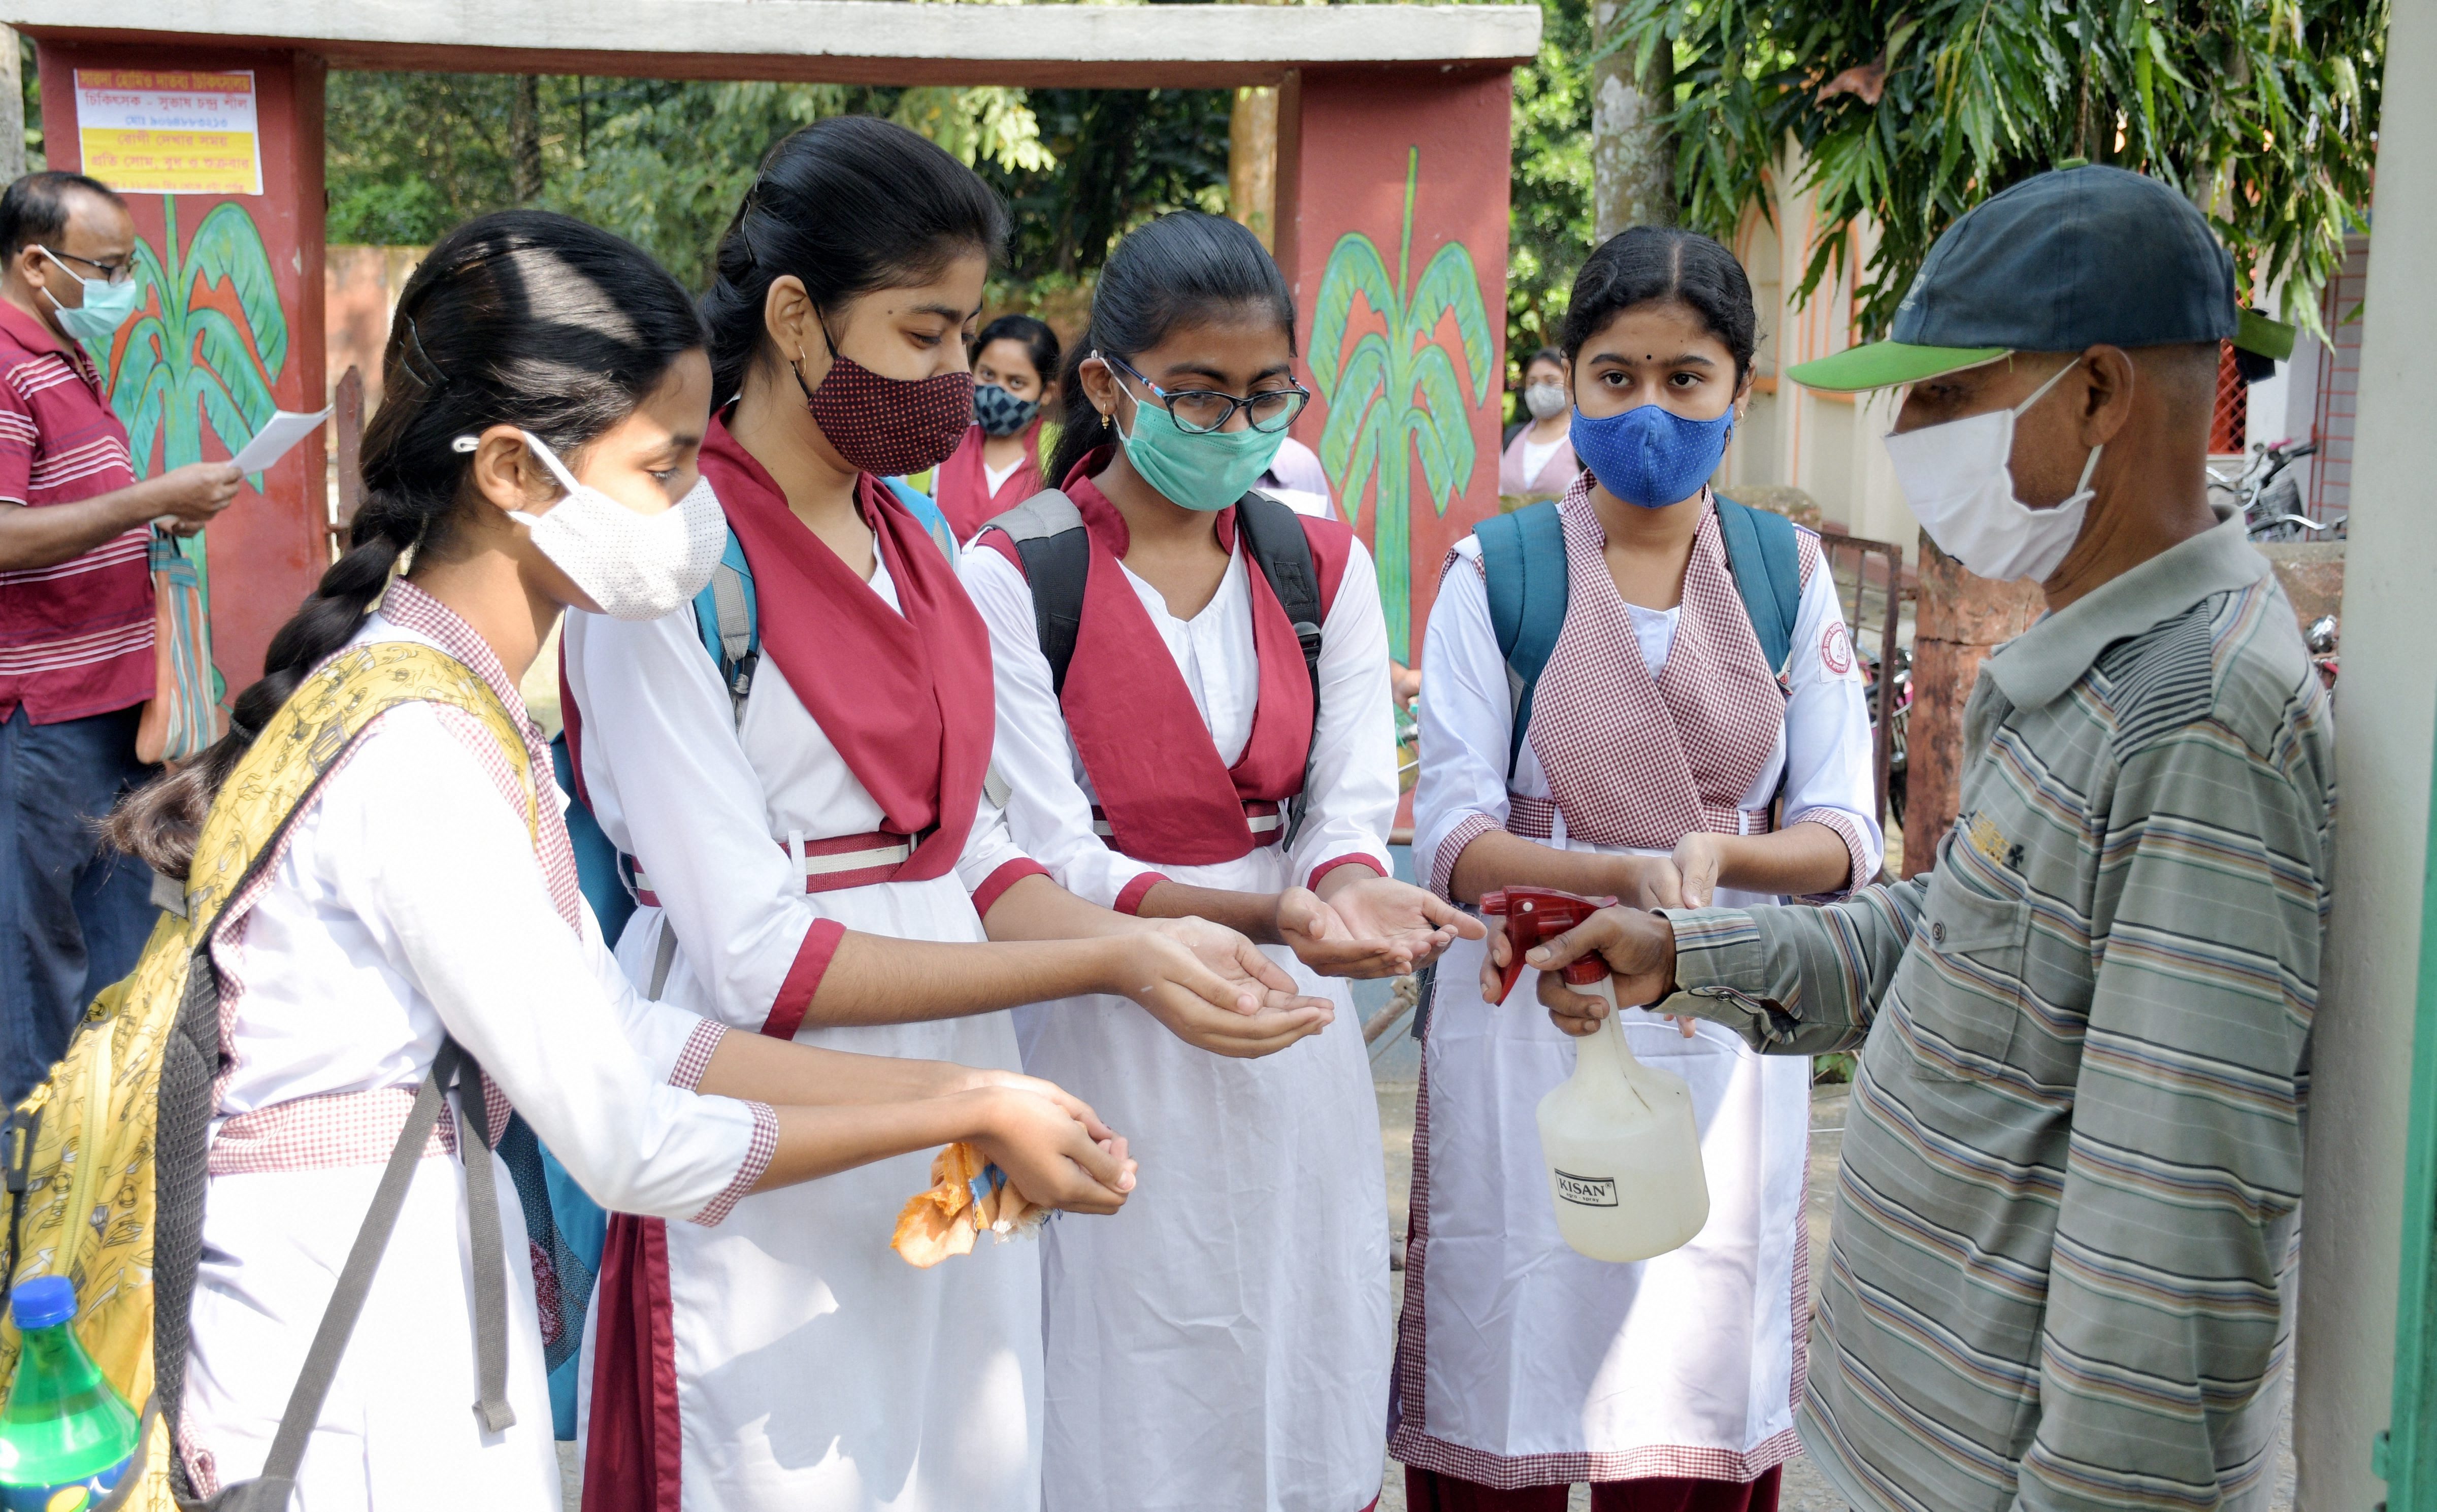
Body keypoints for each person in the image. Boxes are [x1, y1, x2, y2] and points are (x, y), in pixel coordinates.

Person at [100, 208, 1138, 1509]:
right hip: (348, 1363)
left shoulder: (460, 700)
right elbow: (629, 1139)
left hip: (400, 1320)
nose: (696, 514)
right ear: (517, 475)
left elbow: (631, 1033)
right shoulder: (417, 743)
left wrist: (977, 1091)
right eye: (663, 471)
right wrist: (961, 1109)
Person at [1513, 167, 2332, 1512]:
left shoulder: (2199, 716)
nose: (1907, 429)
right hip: (1903, 1444)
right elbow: (1954, 933)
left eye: (1948, 395)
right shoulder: (2098, 668)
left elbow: (2172, 1228)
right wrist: (1688, 954)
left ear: (2100, 394)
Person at [558, 119, 1330, 1512]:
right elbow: (762, 959)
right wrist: (1107, 958)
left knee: (963, 1465)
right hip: (777, 1107)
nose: (958, 379)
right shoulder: (670, 570)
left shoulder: (915, 544)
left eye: (967, 333)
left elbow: (970, 852)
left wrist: (1147, 945)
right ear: (796, 318)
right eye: (924, 335)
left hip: (962, 1089)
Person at [963, 209, 1482, 1512]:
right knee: (1118, 1351)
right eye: (1195, 395)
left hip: (1290, 1040)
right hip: (1097, 1013)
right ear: (1107, 388)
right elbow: (1045, 851)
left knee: (1290, 1329)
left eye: (1265, 395)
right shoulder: (1015, 573)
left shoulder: (1319, 567)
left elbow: (1347, 805)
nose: (1235, 423)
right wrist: (1274, 914)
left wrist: (1348, 887)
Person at [1397, 226, 1881, 1511]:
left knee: (1693, 1347)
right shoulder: (1494, 572)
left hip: (1724, 1005)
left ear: (1740, 388)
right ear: (1566, 377)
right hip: (1532, 996)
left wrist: (1714, 857)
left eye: (1685, 379)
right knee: (1514, 1322)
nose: (1648, 409)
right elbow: (1448, 830)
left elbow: (1843, 833)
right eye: (1615, 377)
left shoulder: (1788, 575)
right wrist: (1613, 872)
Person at [0, 170, 242, 1103]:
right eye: (109, 268)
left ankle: (103, 1161)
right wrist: (150, 498)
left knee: (116, 951)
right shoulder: (8, 363)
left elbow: (71, 516)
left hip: (116, 710)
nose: (125, 287)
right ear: (35, 263)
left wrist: (153, 523)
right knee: (37, 968)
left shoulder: (65, 360)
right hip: (44, 721)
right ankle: (31, 1187)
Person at [933, 312, 1060, 543]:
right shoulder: (938, 444)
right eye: (988, 375)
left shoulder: (1061, 454)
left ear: (1046, 392)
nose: (997, 393)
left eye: (1016, 383)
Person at [1497, 346, 1576, 499]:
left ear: (1570, 383)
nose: (1539, 390)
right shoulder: (1513, 438)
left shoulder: (1582, 441)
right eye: (1532, 383)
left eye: (1551, 381)